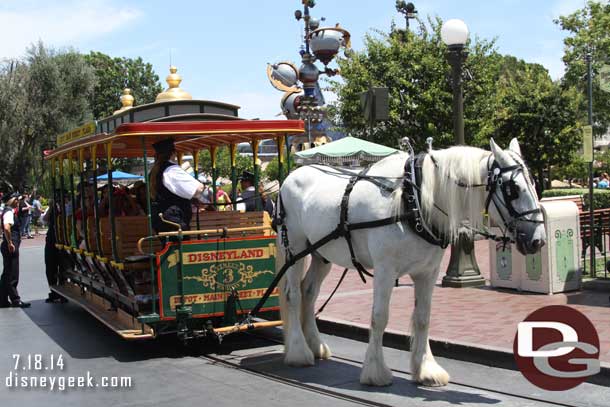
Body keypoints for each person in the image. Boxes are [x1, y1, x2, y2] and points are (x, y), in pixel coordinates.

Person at [149, 138, 207, 234]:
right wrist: (201, 185)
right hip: (173, 220)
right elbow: (198, 189)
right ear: (173, 153)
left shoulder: (155, 171)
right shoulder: (171, 170)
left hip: (162, 218)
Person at [0, 192, 30, 308]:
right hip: (11, 245)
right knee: (12, 273)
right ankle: (15, 299)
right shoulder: (9, 212)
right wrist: (10, 242)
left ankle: (2, 299)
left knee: (7, 273)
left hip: (7, 244)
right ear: (11, 200)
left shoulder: (7, 211)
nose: (18, 201)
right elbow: (7, 227)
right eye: (16, 199)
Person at [42, 199, 66, 303]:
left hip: (64, 239)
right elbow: (45, 219)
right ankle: (53, 291)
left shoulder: (67, 206)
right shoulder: (51, 209)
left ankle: (63, 292)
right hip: (52, 239)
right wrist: (51, 207)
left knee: (63, 266)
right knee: (50, 266)